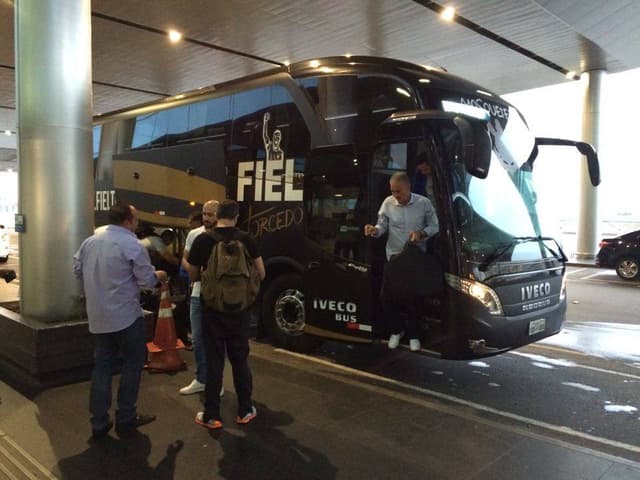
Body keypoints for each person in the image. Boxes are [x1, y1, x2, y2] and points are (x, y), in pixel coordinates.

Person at [73, 202, 167, 438]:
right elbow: (147, 280)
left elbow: (76, 269)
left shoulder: (90, 241)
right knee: (132, 365)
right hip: (126, 317)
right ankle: (125, 417)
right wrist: (159, 276)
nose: (137, 224)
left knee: (102, 368)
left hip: (98, 317)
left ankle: (99, 422)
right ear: (127, 221)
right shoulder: (131, 245)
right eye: (135, 219)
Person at [187, 200, 266, 429]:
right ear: (237, 217)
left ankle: (211, 415)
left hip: (212, 310)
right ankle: (244, 410)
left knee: (214, 362)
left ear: (217, 215)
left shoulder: (204, 240)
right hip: (240, 311)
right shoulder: (247, 239)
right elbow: (262, 273)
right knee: (240, 360)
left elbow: (193, 276)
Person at [364, 172, 439, 351]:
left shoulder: (423, 203)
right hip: (394, 257)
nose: (395, 195)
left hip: (416, 257)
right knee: (387, 299)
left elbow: (435, 226)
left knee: (414, 300)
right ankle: (396, 330)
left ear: (408, 187)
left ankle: (414, 335)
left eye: (399, 191)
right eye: (393, 191)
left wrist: (422, 234)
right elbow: (381, 225)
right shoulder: (388, 203)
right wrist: (374, 230)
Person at [179, 200, 219, 395]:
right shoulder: (194, 235)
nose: (206, 218)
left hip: (218, 297)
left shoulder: (224, 237)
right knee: (197, 339)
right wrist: (195, 272)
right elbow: (185, 259)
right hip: (197, 293)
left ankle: (215, 381)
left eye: (211, 214)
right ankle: (201, 378)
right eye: (204, 214)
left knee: (216, 340)